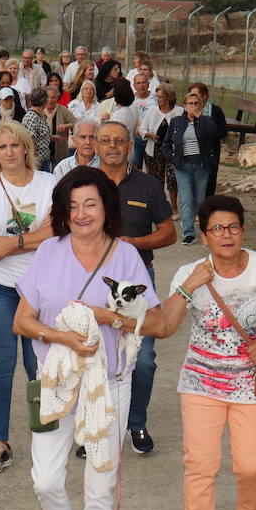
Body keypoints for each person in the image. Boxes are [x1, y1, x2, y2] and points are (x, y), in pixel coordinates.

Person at [12, 167, 156, 510]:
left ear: (106, 208)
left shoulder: (126, 257)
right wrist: (62, 337)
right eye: (72, 206)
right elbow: (22, 320)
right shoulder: (49, 252)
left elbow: (149, 323)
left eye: (90, 204)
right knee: (47, 480)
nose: (80, 214)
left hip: (110, 383)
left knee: (101, 488)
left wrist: (106, 318)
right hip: (57, 381)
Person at [141, 194, 256, 510]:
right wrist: (189, 286)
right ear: (204, 236)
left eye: (233, 227)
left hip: (250, 387)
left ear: (243, 230)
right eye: (216, 228)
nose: (226, 235)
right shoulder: (191, 272)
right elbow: (165, 328)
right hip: (200, 383)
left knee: (252, 466)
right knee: (201, 468)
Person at [0, 120, 57, 473]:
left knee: (39, 363)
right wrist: (23, 243)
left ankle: (48, 432)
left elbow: (56, 232)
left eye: (14, 146)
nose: (9, 153)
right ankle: (0, 441)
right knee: (1, 364)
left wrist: (11, 243)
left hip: (40, 289)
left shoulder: (49, 184)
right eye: (1, 147)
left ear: (26, 148)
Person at [94, 121, 174, 457]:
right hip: (93, 283)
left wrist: (133, 243)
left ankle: (136, 422)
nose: (112, 146)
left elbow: (168, 232)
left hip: (139, 286)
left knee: (142, 360)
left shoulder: (148, 185)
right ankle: (94, 426)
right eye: (105, 140)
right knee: (96, 356)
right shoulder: (83, 184)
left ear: (130, 146)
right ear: (95, 146)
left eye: (119, 141)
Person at [163, 90, 221, 246]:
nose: (193, 106)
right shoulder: (176, 122)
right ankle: (188, 232)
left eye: (196, 104)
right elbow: (166, 145)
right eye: (190, 103)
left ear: (201, 106)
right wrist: (174, 159)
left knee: (200, 199)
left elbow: (213, 134)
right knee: (186, 199)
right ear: (184, 105)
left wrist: (199, 118)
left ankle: (204, 230)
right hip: (183, 166)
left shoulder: (206, 120)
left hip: (202, 165)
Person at [139, 84, 180, 214]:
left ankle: (174, 208)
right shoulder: (152, 110)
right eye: (157, 96)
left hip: (173, 152)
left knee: (173, 180)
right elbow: (142, 128)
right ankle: (159, 207)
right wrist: (149, 135)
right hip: (154, 150)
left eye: (161, 96)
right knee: (156, 181)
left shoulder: (179, 112)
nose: (158, 99)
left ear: (169, 98)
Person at [188, 82, 228, 199]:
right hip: (193, 151)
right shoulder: (189, 111)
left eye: (195, 94)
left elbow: (223, 131)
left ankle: (208, 206)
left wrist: (209, 135)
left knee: (210, 180)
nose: (193, 98)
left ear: (204, 95)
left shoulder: (215, 111)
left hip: (211, 150)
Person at [20, 87, 54, 172]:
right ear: (44, 101)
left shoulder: (40, 115)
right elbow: (31, 141)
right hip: (37, 161)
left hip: (44, 159)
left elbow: (41, 134)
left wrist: (53, 137)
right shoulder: (31, 117)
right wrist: (34, 162)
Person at [45, 84, 76, 165]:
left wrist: (67, 125)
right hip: (43, 152)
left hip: (60, 151)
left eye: (53, 97)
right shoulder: (40, 110)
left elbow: (76, 122)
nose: (50, 100)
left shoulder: (63, 110)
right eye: (48, 97)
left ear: (57, 98)